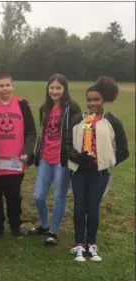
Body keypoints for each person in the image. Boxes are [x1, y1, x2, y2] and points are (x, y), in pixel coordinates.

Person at [66, 76, 129, 262]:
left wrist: (107, 163)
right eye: (89, 99)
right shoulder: (78, 119)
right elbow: (67, 145)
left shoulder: (112, 122)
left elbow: (124, 150)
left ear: (103, 100)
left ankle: (91, 244)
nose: (92, 103)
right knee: (79, 206)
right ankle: (78, 244)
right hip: (79, 171)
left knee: (93, 207)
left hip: (99, 174)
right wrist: (77, 158)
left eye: (96, 99)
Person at [27, 74, 81, 246]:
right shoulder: (44, 107)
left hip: (62, 160)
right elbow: (43, 133)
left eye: (58, 88)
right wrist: (37, 153)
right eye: (52, 88)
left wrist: (73, 155)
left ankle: (53, 231)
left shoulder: (72, 107)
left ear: (64, 89)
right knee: (38, 196)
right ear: (47, 88)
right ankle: (44, 225)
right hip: (45, 157)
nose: (55, 91)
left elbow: (77, 132)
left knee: (59, 197)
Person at [0, 72, 37, 240]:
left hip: (15, 162)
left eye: (7, 85)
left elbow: (31, 132)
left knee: (14, 197)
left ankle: (15, 227)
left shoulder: (22, 104)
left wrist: (27, 152)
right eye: (1, 85)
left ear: (12, 86)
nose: (5, 88)